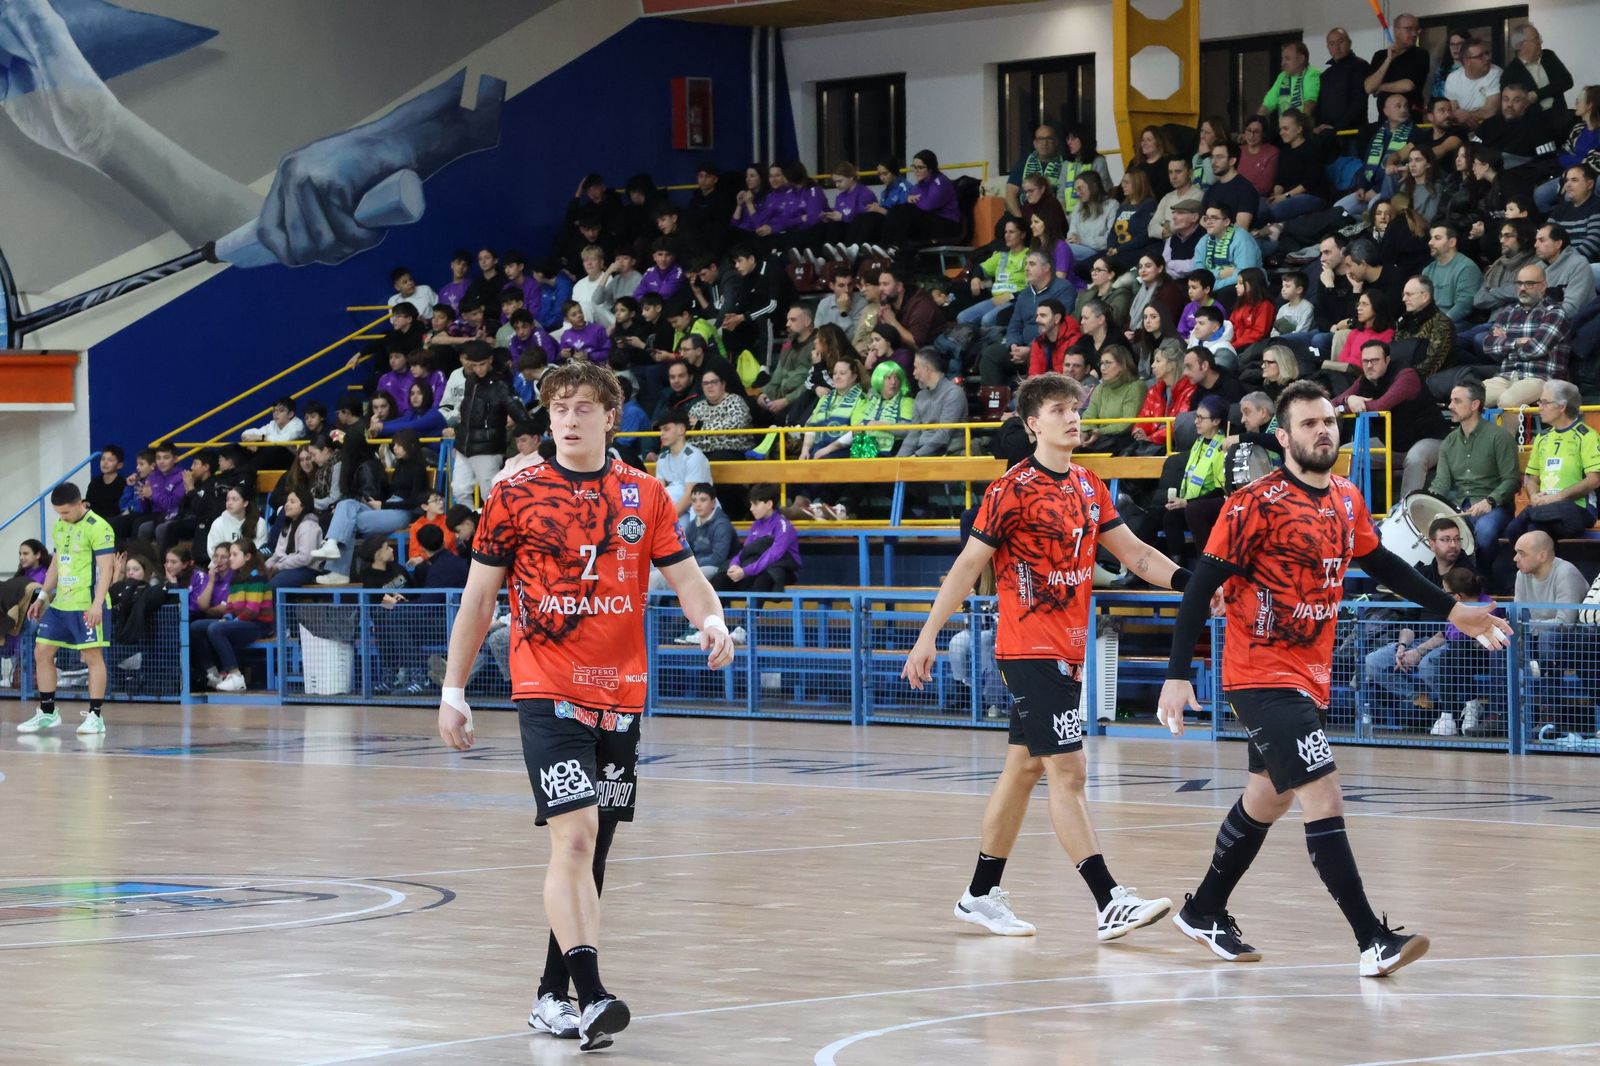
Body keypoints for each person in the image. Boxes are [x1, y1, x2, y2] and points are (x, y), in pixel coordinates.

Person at [1157, 379, 1511, 974]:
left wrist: (1456, 612)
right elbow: (1199, 588)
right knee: (1323, 791)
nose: (1323, 430)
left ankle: (1205, 909)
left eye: (1328, 421)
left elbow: (1383, 564)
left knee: (1266, 798)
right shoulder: (1253, 505)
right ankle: (1373, 938)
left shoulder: (1346, 499)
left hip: (1308, 673)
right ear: (1284, 436)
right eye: (1309, 424)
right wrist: (1174, 674)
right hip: (1260, 672)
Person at [437, 359, 731, 1051]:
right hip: (547, 687)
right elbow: (479, 600)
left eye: (582, 408)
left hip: (621, 695)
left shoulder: (646, 494)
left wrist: (711, 621)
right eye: (559, 408)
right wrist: (454, 691)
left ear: (610, 416)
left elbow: (687, 579)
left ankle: (550, 995)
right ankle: (593, 997)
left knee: (590, 853)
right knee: (572, 836)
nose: (568, 420)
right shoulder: (514, 493)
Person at [902, 372, 1186, 942]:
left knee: (1025, 767)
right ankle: (1109, 900)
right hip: (1028, 647)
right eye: (1059, 409)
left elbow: (1134, 553)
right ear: (1033, 424)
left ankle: (980, 894)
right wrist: (928, 634)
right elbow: (965, 567)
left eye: (1075, 408)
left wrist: (1193, 583)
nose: (1073, 416)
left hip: (1067, 648)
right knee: (1069, 770)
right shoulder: (1011, 489)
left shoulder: (1088, 484)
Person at [15, 484, 116, 735]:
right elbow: (56, 566)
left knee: (92, 657)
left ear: (80, 503)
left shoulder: (99, 527)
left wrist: (97, 605)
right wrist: (42, 597)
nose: (62, 517)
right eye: (58, 513)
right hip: (61, 603)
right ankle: (48, 712)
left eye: (66, 513)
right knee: (42, 652)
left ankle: (95, 716)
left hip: (87, 603)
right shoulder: (60, 527)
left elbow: (107, 570)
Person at [1334, 340, 1449, 496]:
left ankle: (1404, 513)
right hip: (1394, 443)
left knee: (1415, 458)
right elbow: (1332, 403)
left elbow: (1380, 406)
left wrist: (1347, 405)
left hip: (1431, 439)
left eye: (1374, 361)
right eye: (1365, 361)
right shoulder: (1364, 381)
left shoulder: (1406, 376)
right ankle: (1350, 508)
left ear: (1387, 360)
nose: (1369, 366)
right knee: (1344, 453)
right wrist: (1349, 400)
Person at [1429, 381, 1519, 576]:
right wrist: (1427, 501)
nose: (1450, 406)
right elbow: (1442, 482)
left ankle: (1483, 578)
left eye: (1456, 401)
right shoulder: (1449, 442)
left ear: (1474, 405)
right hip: (1458, 505)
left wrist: (1490, 501)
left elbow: (1511, 480)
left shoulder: (1499, 437)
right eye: (1450, 401)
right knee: (1432, 532)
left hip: (1494, 506)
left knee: (1485, 532)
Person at [1500, 381, 1600, 552]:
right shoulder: (1543, 438)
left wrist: (1558, 497)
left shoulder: (1587, 436)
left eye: (1545, 402)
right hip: (1544, 507)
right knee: (1514, 529)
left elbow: (1594, 480)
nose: (1539, 407)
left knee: (1536, 528)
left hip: (1578, 507)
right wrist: (1534, 496)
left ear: (1562, 407)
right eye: (1539, 402)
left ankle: (1544, 574)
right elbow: (1532, 478)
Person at [1480, 263, 1573, 409]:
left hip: (1540, 379)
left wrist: (1505, 343)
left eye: (1529, 284)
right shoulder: (1507, 313)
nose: (1522, 288)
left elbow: (1536, 349)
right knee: (1471, 398)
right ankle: (1481, 433)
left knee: (1508, 402)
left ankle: (1505, 433)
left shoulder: (1554, 313)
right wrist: (1517, 342)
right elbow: (1487, 345)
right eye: (1519, 283)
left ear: (1543, 286)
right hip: (1506, 376)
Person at [449, 343, 529, 506]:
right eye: (474, 365)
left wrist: (529, 430)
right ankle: (471, 529)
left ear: (491, 360)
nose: (479, 369)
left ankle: (496, 529)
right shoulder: (470, 381)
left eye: (482, 364)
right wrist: (459, 441)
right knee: (459, 490)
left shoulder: (501, 385)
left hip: (489, 447)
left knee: (491, 494)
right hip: (464, 445)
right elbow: (466, 413)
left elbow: (517, 411)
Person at [189, 539, 272, 694]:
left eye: (234, 555)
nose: (230, 558)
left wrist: (231, 622)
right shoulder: (236, 577)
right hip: (241, 621)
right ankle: (212, 672)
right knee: (196, 627)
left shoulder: (257, 576)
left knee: (216, 628)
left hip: (259, 625)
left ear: (247, 557)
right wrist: (227, 618)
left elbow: (252, 611)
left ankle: (235, 675)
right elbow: (230, 606)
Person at [883, 150, 963, 245]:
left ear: (930, 168)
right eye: (914, 167)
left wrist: (912, 201)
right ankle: (885, 245)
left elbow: (928, 206)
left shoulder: (940, 182)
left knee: (907, 210)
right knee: (895, 209)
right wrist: (909, 199)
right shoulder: (919, 185)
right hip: (931, 222)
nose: (916, 171)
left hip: (948, 225)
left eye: (920, 168)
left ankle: (897, 247)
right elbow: (916, 204)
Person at [961, 219, 1030, 329]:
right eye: (1006, 232)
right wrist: (975, 278)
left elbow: (1033, 288)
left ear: (1022, 235)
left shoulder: (1029, 255)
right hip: (995, 300)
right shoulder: (1001, 256)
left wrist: (1010, 296)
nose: (1007, 235)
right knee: (963, 318)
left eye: (1011, 232)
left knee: (987, 320)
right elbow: (980, 268)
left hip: (1015, 301)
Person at [900, 349, 969, 458]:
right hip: (922, 452)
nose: (913, 373)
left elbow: (944, 434)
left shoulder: (954, 393)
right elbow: (914, 433)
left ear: (927, 369)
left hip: (948, 452)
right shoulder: (920, 396)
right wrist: (898, 459)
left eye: (916, 367)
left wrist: (917, 456)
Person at [1363, 11, 1430, 116]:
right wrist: (1388, 60)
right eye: (1409, 29)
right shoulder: (1380, 55)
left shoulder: (1421, 54)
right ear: (1396, 30)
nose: (1414, 33)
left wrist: (1380, 87)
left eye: (1416, 29)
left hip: (1410, 119)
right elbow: (1369, 87)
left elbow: (1408, 85)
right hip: (1384, 121)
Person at [1394, 275, 1458, 381]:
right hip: (1401, 377)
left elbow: (1431, 364)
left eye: (1409, 294)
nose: (1404, 299)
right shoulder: (1404, 321)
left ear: (1425, 297)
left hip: (1427, 383)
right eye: (1403, 294)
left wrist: (1400, 377)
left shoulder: (1441, 323)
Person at [1317, 28, 1371, 140]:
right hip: (1328, 134)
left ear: (1349, 43)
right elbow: (1320, 105)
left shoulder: (1360, 66)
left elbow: (1359, 102)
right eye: (1332, 43)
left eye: (1341, 42)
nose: (1336, 47)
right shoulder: (1326, 75)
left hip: (1353, 133)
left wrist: (1336, 127)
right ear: (1328, 47)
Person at [1193, 205, 1261, 294]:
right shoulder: (1204, 241)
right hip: (1210, 286)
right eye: (1206, 218)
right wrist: (1218, 274)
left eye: (1213, 218)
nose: (1208, 222)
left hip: (1243, 286)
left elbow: (1245, 274)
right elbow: (1199, 273)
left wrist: (1213, 286)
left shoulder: (1242, 239)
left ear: (1226, 222)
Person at [1006, 125, 1066, 219]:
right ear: (1035, 143)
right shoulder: (1023, 163)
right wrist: (1020, 220)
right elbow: (1010, 194)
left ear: (1056, 142)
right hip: (1025, 213)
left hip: (1053, 215)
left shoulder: (1065, 164)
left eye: (1048, 139)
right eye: (1040, 139)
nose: (1044, 143)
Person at [1443, 38, 1502, 129]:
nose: (1487, 58)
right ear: (1467, 61)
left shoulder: (1496, 73)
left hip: (1490, 128)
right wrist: (1459, 116)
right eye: (1480, 56)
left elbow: (1490, 112)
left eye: (1487, 53)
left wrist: (1467, 115)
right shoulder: (1453, 78)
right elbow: (1452, 110)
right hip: (1460, 129)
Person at [1261, 41, 1320, 121]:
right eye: (1282, 59)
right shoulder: (1282, 76)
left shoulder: (1312, 73)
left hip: (1303, 129)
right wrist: (1256, 123)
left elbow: (1309, 102)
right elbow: (1268, 104)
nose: (1282, 63)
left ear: (1301, 59)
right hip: (1286, 130)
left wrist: (1301, 126)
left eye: (1287, 58)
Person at [1066, 172, 1115, 263]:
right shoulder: (1078, 206)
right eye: (1076, 190)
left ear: (1094, 186)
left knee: (1062, 250)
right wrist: (1072, 237)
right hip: (1076, 248)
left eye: (1080, 189)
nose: (1077, 193)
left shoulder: (1112, 205)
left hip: (1099, 252)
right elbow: (1072, 231)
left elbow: (1110, 239)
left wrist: (1082, 240)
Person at [206, 486, 268, 556]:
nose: (229, 503)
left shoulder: (260, 523)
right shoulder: (218, 523)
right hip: (223, 565)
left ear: (245, 503)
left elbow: (259, 550)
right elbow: (213, 551)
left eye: (234, 499)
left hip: (250, 564)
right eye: (228, 499)